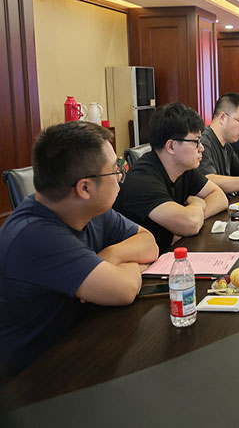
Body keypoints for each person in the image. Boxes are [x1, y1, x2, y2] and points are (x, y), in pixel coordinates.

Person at [0, 122, 158, 374]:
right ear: (85, 187)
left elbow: (149, 243)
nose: (120, 176)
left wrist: (110, 256)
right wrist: (123, 268)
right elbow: (124, 289)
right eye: (114, 170)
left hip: (82, 345)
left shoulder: (90, 210)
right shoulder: (35, 235)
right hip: (36, 380)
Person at [113, 103, 228, 253]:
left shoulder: (184, 168)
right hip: (140, 262)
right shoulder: (142, 179)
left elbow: (219, 197)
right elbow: (191, 224)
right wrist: (197, 205)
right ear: (171, 146)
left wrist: (193, 218)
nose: (202, 148)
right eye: (196, 142)